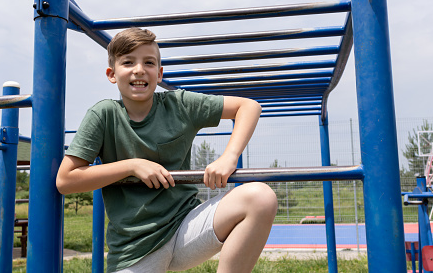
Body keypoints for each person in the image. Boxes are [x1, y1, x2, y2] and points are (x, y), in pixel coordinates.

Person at [56, 27, 277, 273]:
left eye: (148, 62)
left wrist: (229, 156)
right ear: (112, 74)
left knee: (260, 197)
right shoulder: (103, 115)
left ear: (159, 74)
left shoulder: (179, 105)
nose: (139, 69)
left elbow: (249, 106)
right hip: (135, 248)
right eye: (128, 62)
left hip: (186, 227)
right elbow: (66, 180)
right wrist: (132, 165)